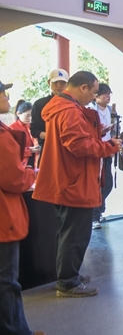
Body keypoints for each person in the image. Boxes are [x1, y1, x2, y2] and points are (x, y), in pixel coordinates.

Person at [33, 71, 122, 297]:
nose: (93, 97)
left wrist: (98, 135)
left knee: (67, 232)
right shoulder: (70, 110)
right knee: (75, 235)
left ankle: (66, 275)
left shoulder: (59, 107)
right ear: (83, 87)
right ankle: (67, 282)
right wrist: (109, 146)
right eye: (93, 92)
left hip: (65, 179)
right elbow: (79, 145)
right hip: (75, 181)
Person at [0, 80, 43, 334]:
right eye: (3, 93)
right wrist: (31, 173)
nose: (7, 97)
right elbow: (13, 178)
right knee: (6, 282)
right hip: (3, 218)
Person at [90, 84, 114, 230]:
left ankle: (99, 210)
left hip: (107, 150)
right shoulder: (91, 110)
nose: (108, 96)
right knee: (97, 184)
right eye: (105, 94)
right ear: (96, 96)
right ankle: (94, 216)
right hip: (97, 151)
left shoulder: (110, 110)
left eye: (109, 93)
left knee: (107, 183)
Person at [29, 68, 68, 144]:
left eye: (62, 82)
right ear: (49, 82)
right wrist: (54, 136)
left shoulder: (73, 103)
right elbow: (35, 131)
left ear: (67, 84)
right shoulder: (39, 104)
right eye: (55, 82)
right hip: (48, 145)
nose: (59, 85)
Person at [9, 100, 37, 167]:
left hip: (35, 159)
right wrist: (29, 150)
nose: (30, 118)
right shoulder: (12, 129)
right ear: (18, 114)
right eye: (27, 115)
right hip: (22, 162)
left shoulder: (32, 126)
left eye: (32, 116)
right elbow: (11, 151)